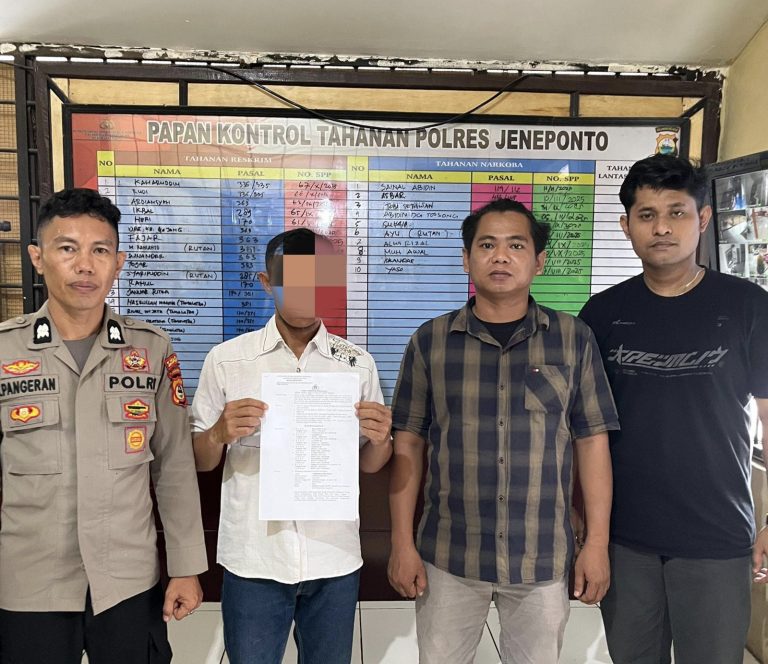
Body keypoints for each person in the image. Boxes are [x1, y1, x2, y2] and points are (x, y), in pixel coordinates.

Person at [387, 198, 618, 663]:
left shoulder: (573, 339)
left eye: (516, 245)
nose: (501, 256)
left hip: (541, 554)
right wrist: (401, 543)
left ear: (539, 261)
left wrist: (596, 544)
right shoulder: (430, 341)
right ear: (466, 258)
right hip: (449, 553)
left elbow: (593, 442)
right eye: (487, 245)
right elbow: (407, 444)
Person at [0, 188, 207, 664]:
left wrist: (186, 567)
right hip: (31, 582)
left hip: (127, 581)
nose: (85, 266)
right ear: (37, 257)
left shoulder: (150, 349)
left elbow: (174, 467)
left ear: (119, 262)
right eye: (67, 248)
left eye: (100, 250)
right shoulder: (6, 351)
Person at [579, 154, 768, 664]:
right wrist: (589, 530)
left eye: (676, 213)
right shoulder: (602, 314)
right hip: (624, 539)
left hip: (717, 536)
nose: (661, 227)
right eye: (646, 215)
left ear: (703, 219)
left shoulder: (748, 306)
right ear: (627, 226)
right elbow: (584, 432)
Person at [191, 228, 393, 664]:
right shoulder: (227, 360)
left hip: (334, 557)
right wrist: (219, 433)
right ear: (267, 282)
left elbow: (372, 463)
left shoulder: (357, 364)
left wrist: (380, 438)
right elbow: (201, 460)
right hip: (255, 559)